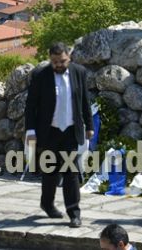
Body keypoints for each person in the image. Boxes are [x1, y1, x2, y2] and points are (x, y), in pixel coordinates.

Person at [24, 42, 93, 228]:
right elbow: (31, 106)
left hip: (71, 130)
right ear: (50, 59)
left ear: (69, 57)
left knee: (71, 173)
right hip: (50, 131)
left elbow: (85, 100)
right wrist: (31, 131)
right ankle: (47, 203)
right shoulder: (40, 76)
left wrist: (89, 125)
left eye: (61, 61)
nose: (58, 65)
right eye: (54, 62)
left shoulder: (79, 72)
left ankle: (74, 213)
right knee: (50, 172)